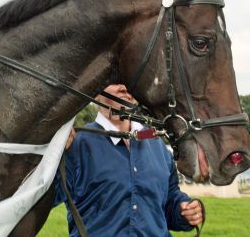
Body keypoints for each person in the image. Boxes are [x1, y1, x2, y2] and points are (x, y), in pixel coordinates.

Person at [54, 84, 204, 236]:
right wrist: (49, 151)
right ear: (95, 94)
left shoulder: (157, 144)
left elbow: (169, 201)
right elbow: (44, 199)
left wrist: (184, 210)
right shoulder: (76, 145)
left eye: (128, 81)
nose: (123, 87)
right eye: (115, 81)